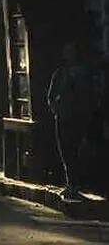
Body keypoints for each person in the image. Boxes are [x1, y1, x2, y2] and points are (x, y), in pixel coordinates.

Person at [47, 41, 95, 201]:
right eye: (67, 52)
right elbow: (51, 96)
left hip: (79, 118)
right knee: (65, 151)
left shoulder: (84, 73)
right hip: (62, 117)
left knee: (76, 150)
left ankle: (77, 183)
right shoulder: (59, 74)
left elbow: (89, 95)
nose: (69, 55)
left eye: (72, 51)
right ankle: (71, 183)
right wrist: (56, 109)